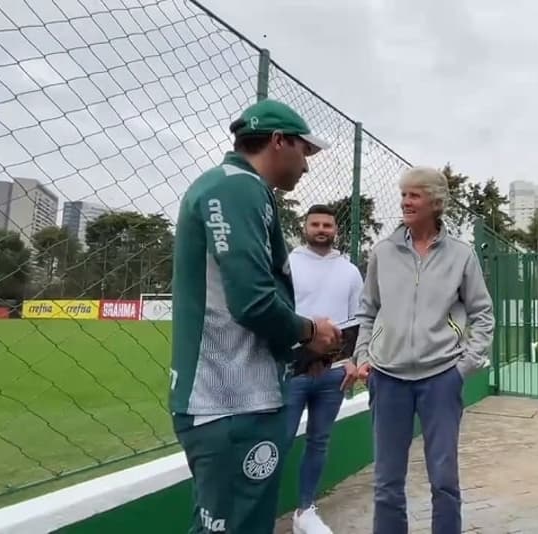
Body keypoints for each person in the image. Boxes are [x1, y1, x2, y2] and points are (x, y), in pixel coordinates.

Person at [169, 98, 344, 534]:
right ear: (279, 141)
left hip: (239, 398)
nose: (306, 166)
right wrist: (311, 332)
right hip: (228, 402)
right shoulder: (236, 188)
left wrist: (299, 355)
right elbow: (252, 301)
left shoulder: (241, 189)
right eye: (304, 150)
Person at [353, 166, 495, 534]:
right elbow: (367, 310)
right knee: (386, 482)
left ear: (435, 201)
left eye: (414, 195)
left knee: (444, 481)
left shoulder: (461, 255)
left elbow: (482, 313)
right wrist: (364, 357)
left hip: (441, 378)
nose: (405, 201)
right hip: (387, 378)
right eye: (403, 195)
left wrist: (463, 367)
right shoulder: (383, 252)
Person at [284, 203, 363, 534]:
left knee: (319, 441)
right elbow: (279, 316)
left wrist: (352, 362)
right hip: (290, 371)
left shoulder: (350, 271)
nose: (321, 230)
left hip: (334, 374)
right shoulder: (288, 264)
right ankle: (256, 512)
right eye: (315, 224)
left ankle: (305, 510)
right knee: (278, 442)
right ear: (305, 228)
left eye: (327, 225)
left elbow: (357, 321)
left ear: (336, 230)